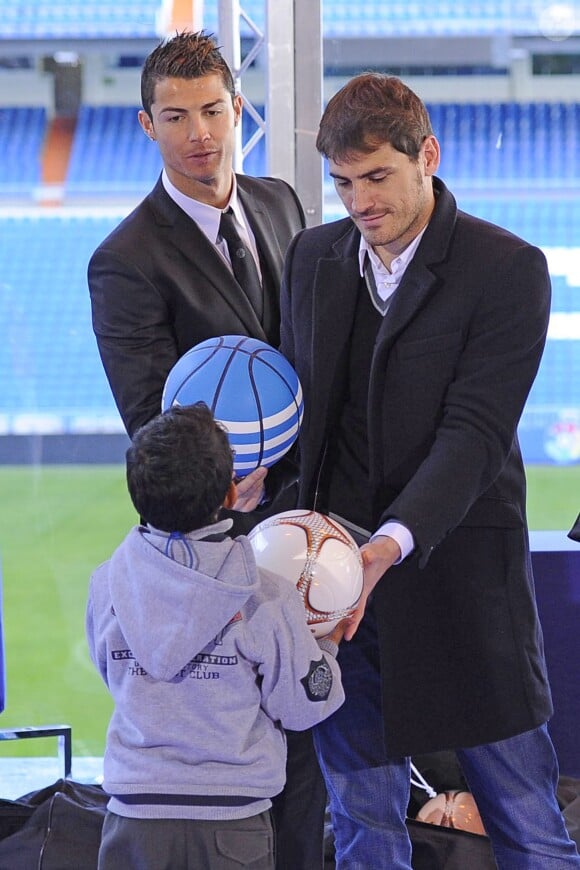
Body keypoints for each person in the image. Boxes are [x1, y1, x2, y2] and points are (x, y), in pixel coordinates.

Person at [280, 73, 580, 869]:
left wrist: (388, 545)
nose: (359, 201)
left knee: (527, 826)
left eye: (377, 176)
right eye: (343, 183)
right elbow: (303, 425)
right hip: (339, 600)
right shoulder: (312, 258)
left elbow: (474, 436)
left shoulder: (507, 269)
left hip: (459, 592)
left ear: (428, 157)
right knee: (361, 826)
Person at [87, 32, 326, 869]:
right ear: (147, 124)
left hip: (305, 522)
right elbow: (148, 419)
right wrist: (237, 489)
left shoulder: (281, 205)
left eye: (215, 111)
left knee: (307, 769)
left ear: (237, 110)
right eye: (178, 116)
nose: (201, 133)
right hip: (212, 544)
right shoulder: (124, 259)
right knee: (242, 759)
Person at [86, 403, 345, 870]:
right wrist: (326, 645)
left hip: (134, 816)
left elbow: (113, 673)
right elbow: (303, 706)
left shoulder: (105, 585)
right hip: (232, 821)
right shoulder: (266, 597)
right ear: (230, 493)